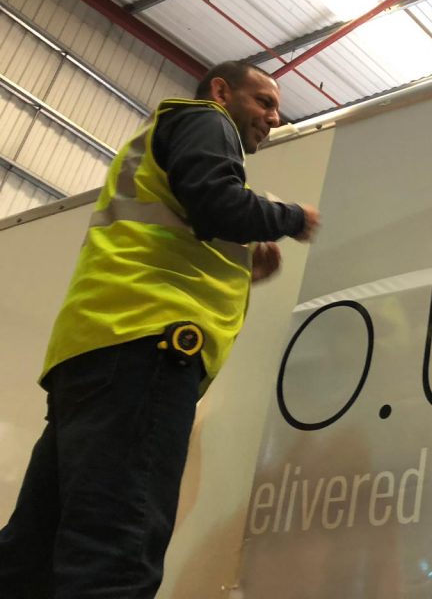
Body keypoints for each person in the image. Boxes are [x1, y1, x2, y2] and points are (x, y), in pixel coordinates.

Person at [0, 61, 321, 598]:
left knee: (31, 556)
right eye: (264, 101)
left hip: (95, 348)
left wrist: (240, 263)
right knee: (116, 556)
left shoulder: (159, 142)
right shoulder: (205, 119)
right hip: (148, 350)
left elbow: (183, 226)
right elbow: (218, 202)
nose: (274, 117)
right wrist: (292, 217)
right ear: (221, 91)